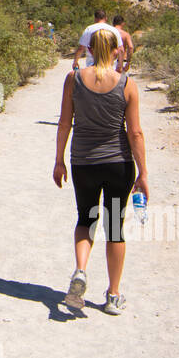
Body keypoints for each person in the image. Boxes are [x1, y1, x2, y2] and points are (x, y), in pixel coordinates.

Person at [52, 28, 150, 315]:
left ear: (91, 50)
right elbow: (135, 132)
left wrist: (59, 160)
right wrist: (143, 172)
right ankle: (113, 294)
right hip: (118, 163)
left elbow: (64, 123)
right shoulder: (127, 84)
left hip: (83, 162)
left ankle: (81, 271)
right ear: (117, 50)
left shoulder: (73, 80)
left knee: (85, 219)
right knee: (115, 227)